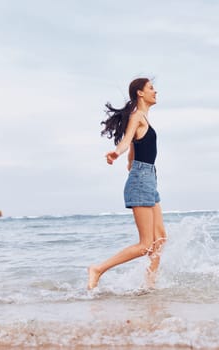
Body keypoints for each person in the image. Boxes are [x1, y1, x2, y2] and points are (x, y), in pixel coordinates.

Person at [87, 78, 167, 290]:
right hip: (141, 181)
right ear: (140, 93)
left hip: (148, 180)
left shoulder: (145, 119)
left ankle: (149, 287)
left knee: (159, 241)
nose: (155, 91)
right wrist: (117, 152)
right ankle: (98, 269)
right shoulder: (137, 117)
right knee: (145, 245)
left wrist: (129, 160)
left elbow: (133, 146)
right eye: (151, 88)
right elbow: (126, 140)